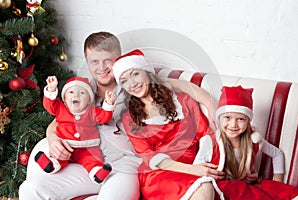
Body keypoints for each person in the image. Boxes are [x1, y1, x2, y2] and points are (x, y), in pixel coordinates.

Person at [19, 31, 223, 200]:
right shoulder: (83, 91)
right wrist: (54, 139)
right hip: (91, 164)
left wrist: (213, 106)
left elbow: (183, 88)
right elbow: (57, 121)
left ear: (119, 59)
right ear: (87, 62)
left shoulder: (134, 84)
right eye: (94, 61)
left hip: (126, 168)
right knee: (30, 188)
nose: (101, 68)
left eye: (108, 60)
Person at [112, 49, 226, 200]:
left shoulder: (183, 101)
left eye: (135, 74)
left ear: (148, 73)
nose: (132, 84)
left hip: (194, 163)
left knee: (206, 187)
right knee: (203, 188)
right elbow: (149, 156)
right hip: (159, 172)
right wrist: (192, 170)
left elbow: (205, 135)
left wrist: (200, 165)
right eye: (124, 81)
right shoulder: (130, 118)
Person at [194, 85, 298, 200]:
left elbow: (277, 154)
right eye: (227, 117)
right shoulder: (211, 142)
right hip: (220, 188)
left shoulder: (254, 140)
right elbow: (196, 170)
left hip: (246, 186)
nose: (233, 124)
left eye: (241, 119)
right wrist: (206, 173)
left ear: (248, 122)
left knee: (280, 191)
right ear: (219, 119)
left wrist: (277, 180)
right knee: (237, 188)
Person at [35, 75, 116, 184]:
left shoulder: (92, 112)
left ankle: (97, 172)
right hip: (66, 145)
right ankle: (51, 164)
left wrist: (108, 104)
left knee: (91, 159)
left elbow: (103, 117)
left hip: (86, 147)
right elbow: (49, 105)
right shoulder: (61, 108)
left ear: (88, 101)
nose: (76, 95)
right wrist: (51, 89)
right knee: (58, 157)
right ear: (64, 98)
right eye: (71, 92)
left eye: (82, 93)